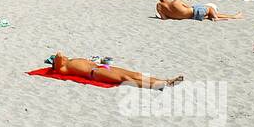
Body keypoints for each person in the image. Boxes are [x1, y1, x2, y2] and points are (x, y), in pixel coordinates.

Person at [48, 53, 183, 90]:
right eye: (59, 60)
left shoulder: (72, 61)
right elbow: (59, 55)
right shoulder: (62, 68)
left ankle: (165, 81)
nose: (64, 56)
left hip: (102, 68)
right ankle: (156, 85)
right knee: (125, 78)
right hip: (95, 73)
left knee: (134, 74)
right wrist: (55, 61)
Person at [156, 0, 242, 22]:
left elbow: (164, 18)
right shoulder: (176, 1)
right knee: (210, 9)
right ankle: (217, 18)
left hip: (191, 17)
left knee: (209, 15)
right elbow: (189, 7)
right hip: (193, 13)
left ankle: (233, 16)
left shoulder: (159, 6)